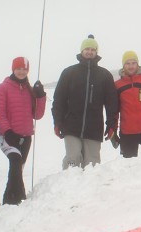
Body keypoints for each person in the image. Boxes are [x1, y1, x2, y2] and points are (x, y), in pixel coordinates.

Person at [51, 35, 118, 169]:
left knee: (92, 165)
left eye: (93, 49)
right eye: (87, 49)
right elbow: (59, 100)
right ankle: (68, 186)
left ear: (96, 52)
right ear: (81, 51)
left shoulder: (104, 75)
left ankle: (91, 189)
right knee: (73, 158)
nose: (89, 52)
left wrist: (112, 125)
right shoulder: (69, 72)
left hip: (94, 128)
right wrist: (58, 122)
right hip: (71, 126)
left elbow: (112, 104)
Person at [0, 56, 47, 198]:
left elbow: (38, 115)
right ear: (13, 69)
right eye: (18, 69)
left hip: (26, 137)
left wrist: (40, 96)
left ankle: (9, 202)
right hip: (8, 136)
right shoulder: (2, 88)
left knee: (17, 170)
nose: (21, 72)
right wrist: (8, 131)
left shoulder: (29, 89)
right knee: (16, 162)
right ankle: (19, 198)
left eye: (24, 69)